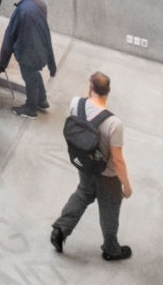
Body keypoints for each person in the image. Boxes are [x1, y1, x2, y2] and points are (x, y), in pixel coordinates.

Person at [49, 71, 133, 261]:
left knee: (83, 193)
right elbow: (118, 160)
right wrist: (126, 186)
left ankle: (61, 229)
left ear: (90, 87)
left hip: (84, 165)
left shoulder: (75, 103)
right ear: (108, 92)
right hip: (107, 175)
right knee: (109, 209)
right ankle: (111, 249)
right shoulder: (114, 123)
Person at [0, 0, 54, 116]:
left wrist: (3, 62)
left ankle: (30, 108)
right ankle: (42, 99)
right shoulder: (40, 4)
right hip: (40, 49)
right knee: (34, 74)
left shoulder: (22, 11)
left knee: (29, 78)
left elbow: (10, 37)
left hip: (28, 53)